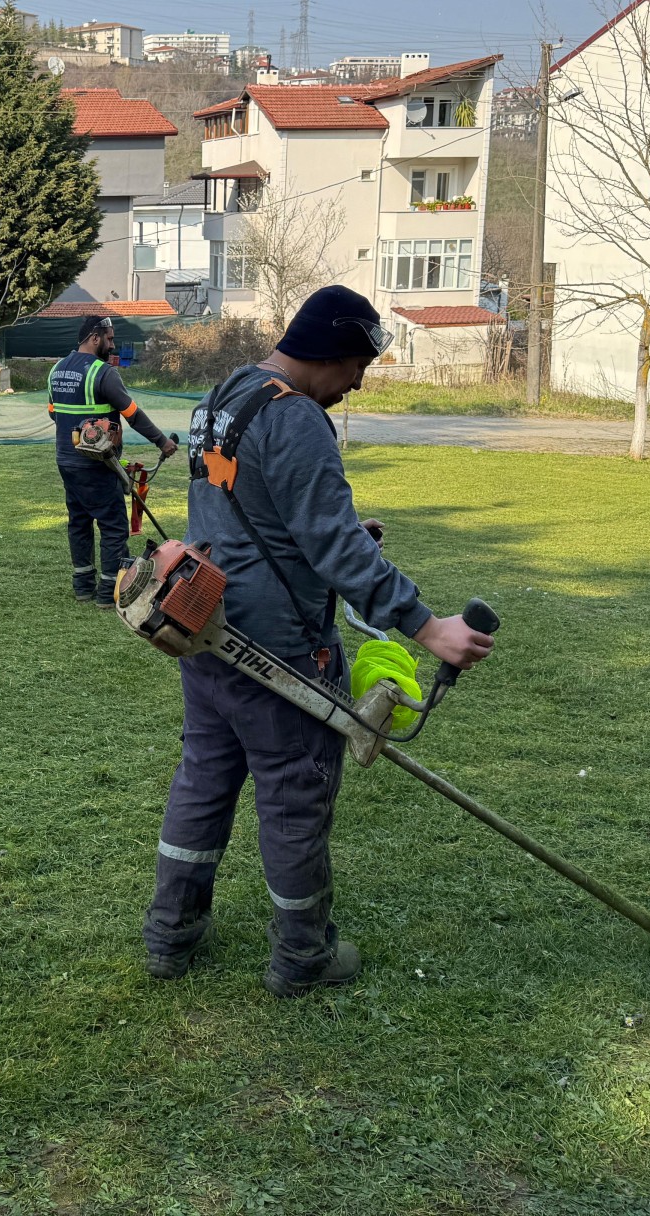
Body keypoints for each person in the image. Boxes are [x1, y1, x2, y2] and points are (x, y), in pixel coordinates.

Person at [141, 285, 495, 997]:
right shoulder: (297, 418)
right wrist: (430, 628)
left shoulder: (225, 397)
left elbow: (244, 514)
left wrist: (318, 545)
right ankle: (303, 955)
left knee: (204, 781)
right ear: (330, 353)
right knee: (294, 799)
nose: (358, 382)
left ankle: (169, 934)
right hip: (282, 656)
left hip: (207, 633)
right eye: (358, 366)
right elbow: (332, 541)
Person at [47, 315, 178, 607]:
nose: (112, 343)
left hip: (66, 461)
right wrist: (162, 442)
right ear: (95, 338)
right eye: (109, 338)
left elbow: (54, 413)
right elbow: (133, 414)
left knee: (79, 522)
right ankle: (108, 593)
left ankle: (83, 587)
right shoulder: (102, 373)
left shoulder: (56, 370)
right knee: (113, 526)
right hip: (97, 464)